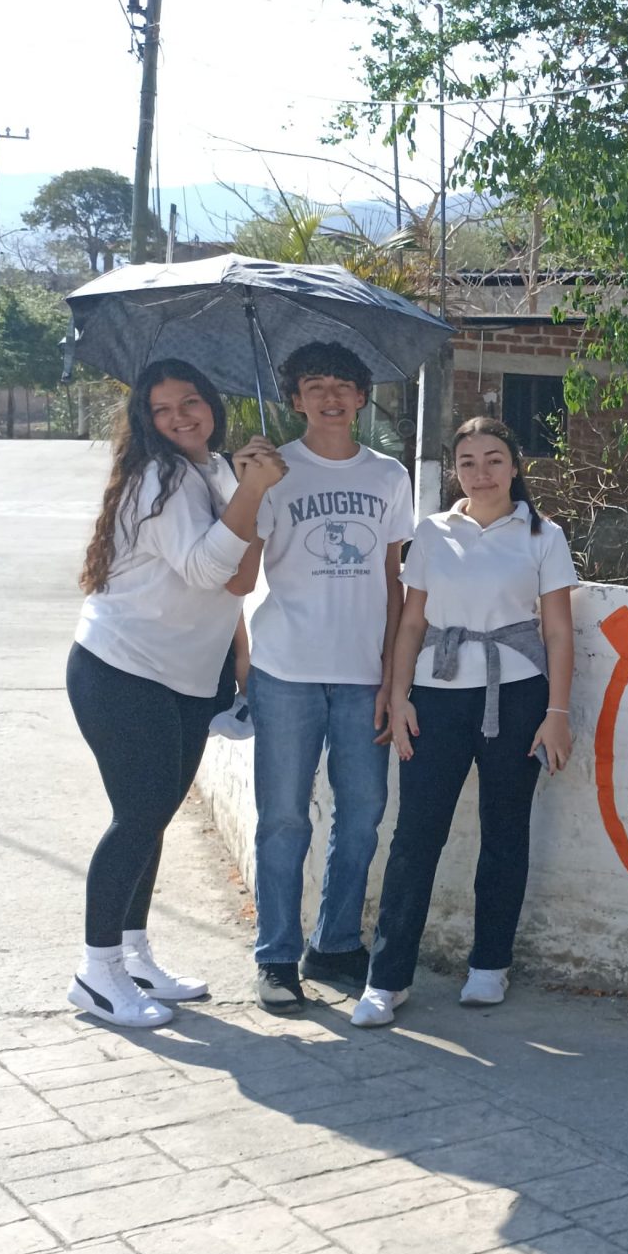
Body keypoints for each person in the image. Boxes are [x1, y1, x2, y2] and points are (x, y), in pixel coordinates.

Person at [67, 358, 286, 1026]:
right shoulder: (156, 478)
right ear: (147, 422)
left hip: (185, 676)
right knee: (136, 817)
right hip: (121, 670)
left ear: (212, 403)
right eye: (163, 410)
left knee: (152, 814)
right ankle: (96, 971)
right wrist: (249, 499)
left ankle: (133, 955)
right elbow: (199, 564)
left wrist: (252, 490)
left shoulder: (215, 469)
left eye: (190, 401)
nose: (180, 416)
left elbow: (238, 580)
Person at [354, 417, 577, 1027]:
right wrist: (399, 698)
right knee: (416, 835)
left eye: (494, 459)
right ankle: (388, 977)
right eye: (469, 461)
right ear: (455, 468)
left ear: (515, 465)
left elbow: (557, 630)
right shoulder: (432, 531)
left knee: (504, 830)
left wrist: (557, 713)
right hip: (437, 695)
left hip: (518, 695)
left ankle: (489, 965)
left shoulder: (541, 534)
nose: (481, 472)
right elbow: (413, 623)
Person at [244, 342, 414, 1007]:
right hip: (285, 669)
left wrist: (390, 675)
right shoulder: (275, 473)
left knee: (364, 814)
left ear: (362, 397)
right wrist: (252, 483)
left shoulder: (389, 476)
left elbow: (394, 581)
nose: (332, 397)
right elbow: (241, 573)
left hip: (361, 674)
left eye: (344, 385)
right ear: (295, 399)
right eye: (316, 385)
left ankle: (336, 943)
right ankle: (277, 956)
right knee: (284, 819)